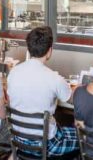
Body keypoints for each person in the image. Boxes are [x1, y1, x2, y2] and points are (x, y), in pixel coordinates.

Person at [7, 26, 78, 157]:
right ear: (49, 51)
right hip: (46, 145)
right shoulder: (54, 78)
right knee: (83, 137)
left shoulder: (13, 72)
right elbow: (74, 100)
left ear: (29, 48)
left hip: (19, 141)